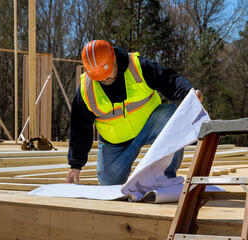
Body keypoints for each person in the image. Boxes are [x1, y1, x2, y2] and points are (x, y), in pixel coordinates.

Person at [66, 40, 203, 185]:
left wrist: (188, 92)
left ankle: (165, 178)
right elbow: (79, 129)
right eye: (99, 77)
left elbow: (168, 79)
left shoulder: (138, 67)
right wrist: (75, 165)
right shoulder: (86, 91)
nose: (105, 79)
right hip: (115, 143)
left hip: (151, 125)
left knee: (171, 120)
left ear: (114, 59)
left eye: (107, 73)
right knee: (109, 185)